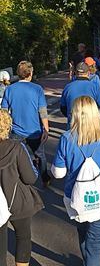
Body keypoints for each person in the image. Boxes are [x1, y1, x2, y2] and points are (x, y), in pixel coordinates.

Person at [51, 96, 100, 266]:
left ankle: (87, 261)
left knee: (83, 234)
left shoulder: (67, 139)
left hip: (75, 199)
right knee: (95, 243)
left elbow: (58, 173)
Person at [0, 109, 44, 266]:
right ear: (7, 127)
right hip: (17, 201)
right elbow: (30, 178)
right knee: (23, 236)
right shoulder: (17, 148)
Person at [1, 61, 51, 187]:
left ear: (18, 73)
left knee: (15, 155)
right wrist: (46, 129)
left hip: (16, 131)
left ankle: (18, 179)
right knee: (40, 155)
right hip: (34, 130)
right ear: (31, 73)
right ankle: (45, 178)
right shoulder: (37, 89)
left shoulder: (10, 90)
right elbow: (42, 111)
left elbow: (4, 112)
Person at [60, 62, 100, 129]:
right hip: (91, 126)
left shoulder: (68, 87)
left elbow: (63, 108)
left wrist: (71, 116)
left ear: (75, 73)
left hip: (73, 126)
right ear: (88, 73)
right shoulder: (95, 87)